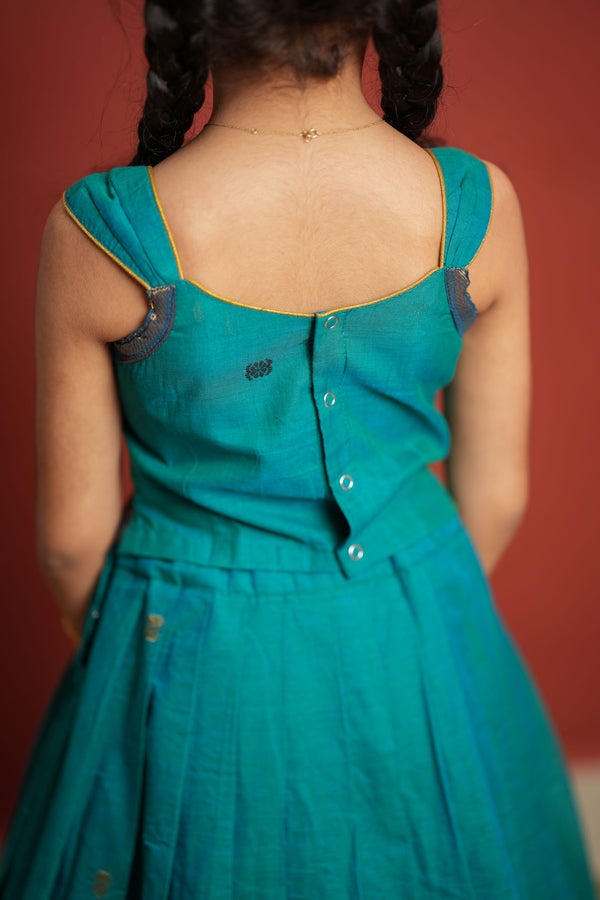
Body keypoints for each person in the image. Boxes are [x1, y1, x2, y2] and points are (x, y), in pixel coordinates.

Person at [0, 1, 596, 897]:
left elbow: (70, 545)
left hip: (189, 651)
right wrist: (397, 618)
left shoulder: (102, 233)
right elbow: (498, 495)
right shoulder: (474, 206)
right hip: (420, 626)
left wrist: (151, 666)